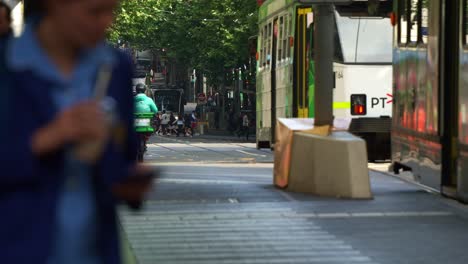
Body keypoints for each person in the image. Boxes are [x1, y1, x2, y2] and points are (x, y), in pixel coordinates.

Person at [0, 1, 153, 263]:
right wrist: (47, 139)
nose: (107, 21)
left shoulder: (115, 67)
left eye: (111, 10)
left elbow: (121, 160)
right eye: (94, 11)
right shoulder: (8, 66)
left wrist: (129, 183)